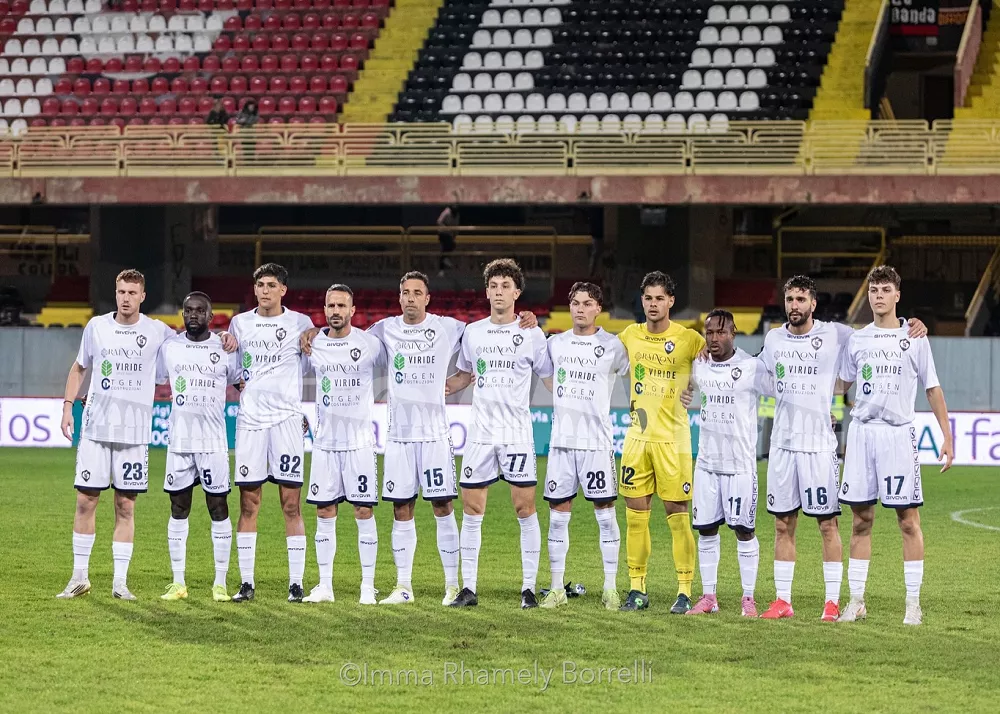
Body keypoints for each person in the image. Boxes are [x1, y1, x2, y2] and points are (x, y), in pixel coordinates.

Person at [300, 271, 538, 606]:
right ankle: (403, 586)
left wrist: (525, 317)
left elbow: (480, 351)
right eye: (405, 292)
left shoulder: (452, 328)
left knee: (443, 506)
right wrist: (316, 331)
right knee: (402, 508)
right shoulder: (383, 331)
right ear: (399, 298)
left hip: (436, 437)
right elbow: (344, 340)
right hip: (398, 438)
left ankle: (453, 586)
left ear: (427, 298)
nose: (410, 298)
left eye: (417, 293)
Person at [757, 275, 926, 621]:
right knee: (782, 525)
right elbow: (754, 372)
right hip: (783, 445)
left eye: (801, 299)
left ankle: (833, 602)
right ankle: (782, 600)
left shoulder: (838, 333)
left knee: (828, 525)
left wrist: (912, 324)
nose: (794, 306)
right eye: (789, 299)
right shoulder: (773, 338)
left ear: (813, 304)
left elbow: (880, 332)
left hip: (820, 446)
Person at [837, 265, 953, 626]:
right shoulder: (857, 339)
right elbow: (840, 386)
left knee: (907, 520)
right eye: (873, 290)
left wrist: (947, 436)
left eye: (885, 289)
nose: (878, 295)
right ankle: (856, 601)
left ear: (897, 295)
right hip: (861, 434)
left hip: (898, 436)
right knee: (860, 521)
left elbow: (932, 388)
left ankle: (913, 604)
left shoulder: (914, 336)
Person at [56, 269, 177, 600]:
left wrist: (223, 339)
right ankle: (79, 577)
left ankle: (120, 582)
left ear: (142, 296)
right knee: (85, 501)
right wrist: (68, 406)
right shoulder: (97, 327)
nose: (125, 298)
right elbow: (80, 367)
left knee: (126, 506)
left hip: (134, 436)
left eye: (131, 292)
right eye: (120, 291)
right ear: (116, 293)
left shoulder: (157, 331)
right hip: (95, 430)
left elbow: (191, 344)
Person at [446, 259, 553, 609]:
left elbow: (551, 380)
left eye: (505, 286)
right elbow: (463, 376)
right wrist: (434, 388)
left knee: (525, 509)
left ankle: (527, 588)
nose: (498, 291)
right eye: (493, 286)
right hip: (480, 434)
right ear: (487, 291)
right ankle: (469, 588)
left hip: (517, 434)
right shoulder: (473, 332)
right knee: (472, 509)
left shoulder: (532, 334)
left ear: (517, 293)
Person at [617, 271, 705, 613]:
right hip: (637, 439)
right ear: (642, 301)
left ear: (671, 301)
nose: (653, 304)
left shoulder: (690, 339)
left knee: (677, 515)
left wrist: (694, 388)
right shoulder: (629, 335)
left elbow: (717, 363)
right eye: (648, 298)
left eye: (659, 298)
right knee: (635, 516)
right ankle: (637, 589)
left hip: (673, 441)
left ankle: (684, 590)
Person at [228, 263, 315, 603]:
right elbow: (236, 371)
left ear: (283, 290)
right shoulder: (240, 323)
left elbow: (311, 363)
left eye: (271, 285)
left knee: (290, 503)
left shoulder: (300, 324)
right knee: (249, 503)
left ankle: (296, 583)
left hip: (287, 423)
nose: (264, 290)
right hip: (251, 423)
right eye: (260, 284)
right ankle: (246, 582)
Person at [539, 282, 627, 610]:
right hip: (562, 444)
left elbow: (641, 375)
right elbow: (535, 366)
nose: (579, 308)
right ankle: (557, 590)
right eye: (575, 302)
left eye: (587, 303)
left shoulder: (613, 346)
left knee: (605, 516)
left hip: (597, 444)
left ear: (598, 308)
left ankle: (610, 587)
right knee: (558, 517)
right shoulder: (555, 344)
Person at [156, 292, 243, 602]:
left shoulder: (225, 349)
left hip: (213, 443)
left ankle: (220, 583)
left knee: (218, 508)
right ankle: (178, 582)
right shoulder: (170, 348)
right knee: (178, 509)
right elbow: (146, 379)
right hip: (179, 442)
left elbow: (242, 384)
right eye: (188, 310)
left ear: (210, 316)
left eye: (200, 311)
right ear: (183, 314)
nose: (193, 315)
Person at [686, 310, 772, 618]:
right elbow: (683, 385)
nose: (714, 338)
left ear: (733, 334)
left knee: (743, 531)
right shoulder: (698, 365)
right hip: (707, 464)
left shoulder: (751, 367)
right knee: (706, 531)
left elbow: (781, 391)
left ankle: (748, 598)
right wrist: (685, 393)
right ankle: (709, 596)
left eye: (721, 332)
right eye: (709, 332)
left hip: (740, 466)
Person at [302, 284, 383, 605]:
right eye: (330, 306)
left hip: (360, 444)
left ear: (352, 310)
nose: (335, 311)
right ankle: (325, 585)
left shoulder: (370, 343)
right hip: (324, 444)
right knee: (324, 511)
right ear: (324, 310)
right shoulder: (314, 343)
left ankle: (367, 586)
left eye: (341, 306)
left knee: (363, 510)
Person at [436, 204, 459, 274]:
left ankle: (444, 262)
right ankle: (442, 268)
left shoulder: (457, 215)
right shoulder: (447, 212)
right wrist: (446, 228)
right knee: (445, 248)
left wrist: (454, 235)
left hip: (450, 235)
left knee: (450, 247)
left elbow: (456, 226)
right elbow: (439, 221)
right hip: (442, 233)